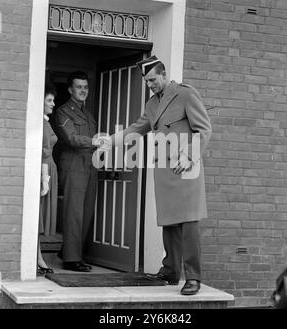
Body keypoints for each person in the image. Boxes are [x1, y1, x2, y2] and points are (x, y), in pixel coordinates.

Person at [99, 55, 212, 295]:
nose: (150, 85)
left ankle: (193, 277)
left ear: (163, 74)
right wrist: (110, 141)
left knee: (189, 225)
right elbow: (136, 129)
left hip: (186, 168)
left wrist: (189, 155)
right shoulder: (151, 105)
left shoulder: (185, 94)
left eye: (153, 80)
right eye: (147, 82)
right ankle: (170, 270)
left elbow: (204, 129)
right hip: (165, 172)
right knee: (169, 223)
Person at [54, 71, 103, 272]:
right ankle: (71, 259)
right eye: (79, 87)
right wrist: (94, 141)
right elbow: (72, 138)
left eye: (85, 87)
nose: (83, 91)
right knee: (74, 212)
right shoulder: (63, 112)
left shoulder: (88, 114)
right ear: (70, 89)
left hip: (90, 166)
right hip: (73, 166)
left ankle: (69, 250)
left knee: (87, 212)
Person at [38, 83, 58, 275]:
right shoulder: (42, 123)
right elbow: (44, 152)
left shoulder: (46, 121)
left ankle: (37, 257)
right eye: (49, 100)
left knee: (40, 216)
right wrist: (45, 179)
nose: (53, 104)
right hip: (45, 169)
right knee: (38, 216)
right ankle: (38, 259)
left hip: (49, 168)